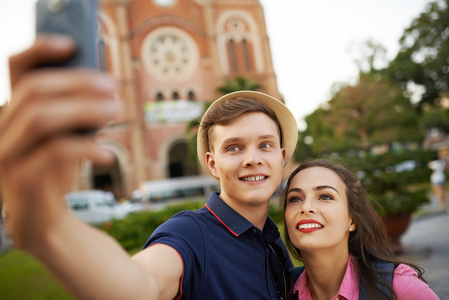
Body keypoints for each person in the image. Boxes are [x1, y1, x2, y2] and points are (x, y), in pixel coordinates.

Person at [0, 34, 298, 300]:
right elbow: (141, 285)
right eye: (233, 147)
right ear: (212, 164)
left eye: (265, 145)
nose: (252, 158)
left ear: (282, 158)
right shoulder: (191, 236)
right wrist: (47, 224)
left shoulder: (273, 242)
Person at [281, 159, 439, 300]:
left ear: (352, 219)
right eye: (295, 199)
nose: (306, 207)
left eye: (325, 196)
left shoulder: (397, 286)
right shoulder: (281, 291)